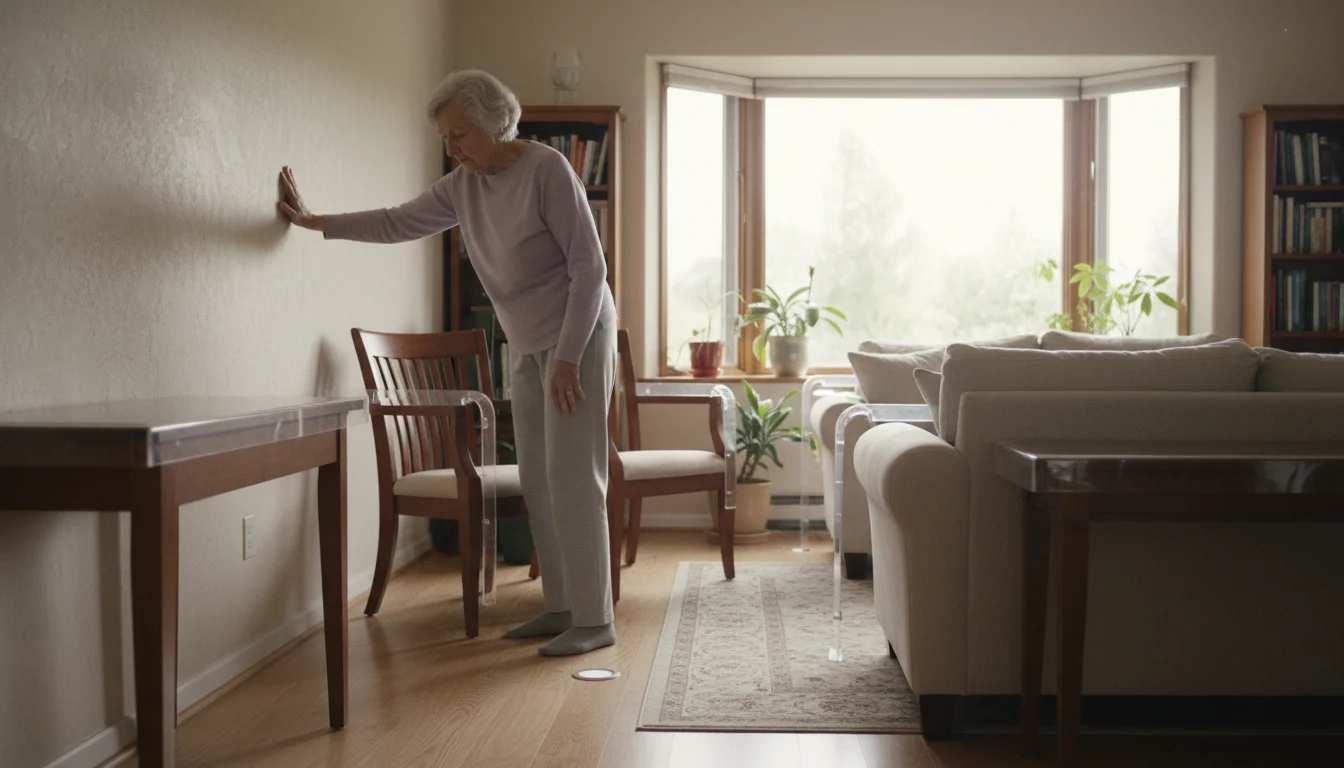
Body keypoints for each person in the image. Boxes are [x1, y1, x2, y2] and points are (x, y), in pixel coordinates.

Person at [278, 69, 618, 657]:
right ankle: (561, 606)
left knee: (572, 478)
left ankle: (596, 619)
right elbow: (396, 221)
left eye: (459, 135)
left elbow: (590, 267)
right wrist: (316, 223)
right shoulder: (462, 186)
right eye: (445, 137)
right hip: (527, 340)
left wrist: (567, 358)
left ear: (494, 123)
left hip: (577, 337)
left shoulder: (546, 170)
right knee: (538, 475)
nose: (450, 147)